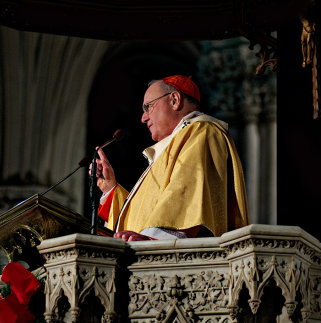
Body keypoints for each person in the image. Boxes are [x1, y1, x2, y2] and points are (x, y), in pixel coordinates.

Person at [94, 75, 249, 241]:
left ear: (174, 100)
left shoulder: (203, 131)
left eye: (148, 107)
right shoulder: (173, 147)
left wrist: (152, 240)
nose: (143, 118)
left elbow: (185, 192)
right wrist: (110, 189)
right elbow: (142, 217)